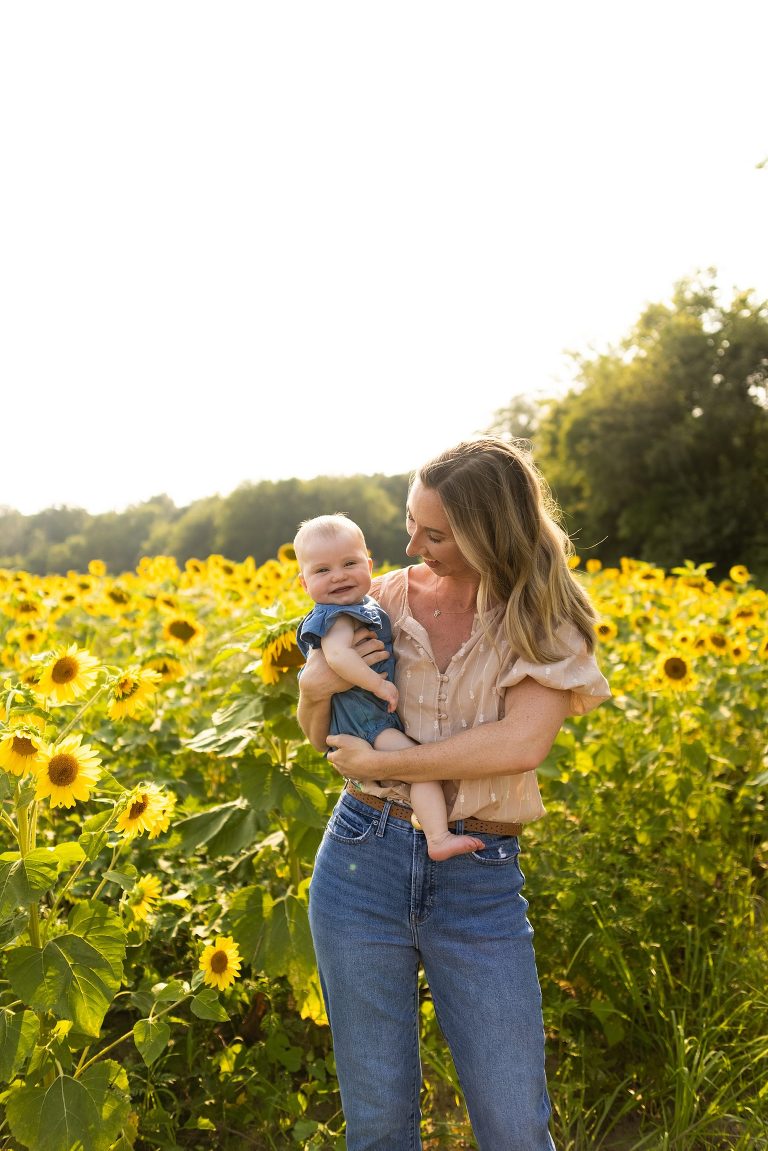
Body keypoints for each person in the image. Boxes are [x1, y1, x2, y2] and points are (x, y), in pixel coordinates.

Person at [297, 437, 611, 1151]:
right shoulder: (379, 601)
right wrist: (312, 689)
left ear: (486, 531)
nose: (411, 542)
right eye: (411, 522)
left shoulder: (543, 615)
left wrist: (405, 766)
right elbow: (323, 735)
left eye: (433, 532)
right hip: (360, 859)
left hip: (478, 872)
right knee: (377, 1125)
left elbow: (520, 743)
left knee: (513, 1124)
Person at [294, 513, 485, 860]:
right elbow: (337, 656)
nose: (338, 576)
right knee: (421, 773)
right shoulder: (337, 616)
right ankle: (438, 839)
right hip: (368, 722)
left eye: (349, 563)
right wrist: (378, 686)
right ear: (304, 584)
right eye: (322, 571)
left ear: (369, 564)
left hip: (362, 720)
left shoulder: (363, 606)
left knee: (413, 770)